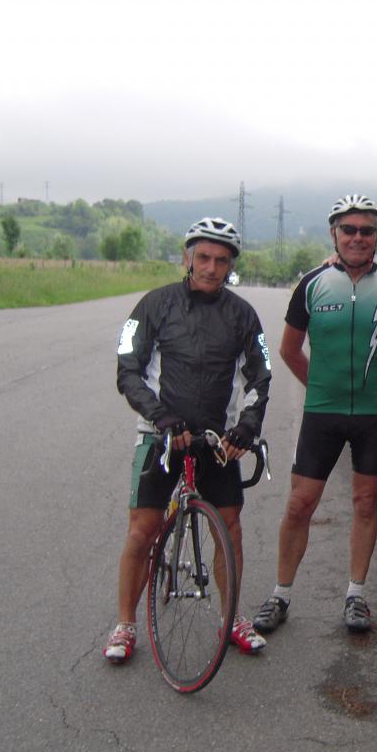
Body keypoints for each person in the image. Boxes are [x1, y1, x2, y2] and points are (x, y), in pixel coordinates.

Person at [106, 218, 272, 663]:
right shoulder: (152, 305)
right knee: (142, 530)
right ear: (187, 257)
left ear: (231, 265)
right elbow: (127, 369)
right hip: (161, 437)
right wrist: (162, 418)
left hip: (218, 441)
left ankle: (232, 617)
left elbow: (262, 376)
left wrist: (246, 428)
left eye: (221, 260)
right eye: (203, 257)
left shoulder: (244, 315)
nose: (211, 267)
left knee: (230, 529)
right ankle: (124, 625)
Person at [254, 193, 377, 635]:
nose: (358, 237)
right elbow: (288, 349)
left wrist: (376, 388)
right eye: (349, 230)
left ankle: (356, 595)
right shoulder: (311, 285)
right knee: (300, 503)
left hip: (374, 415)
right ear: (335, 234)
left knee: (366, 502)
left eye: (367, 230)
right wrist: (323, 389)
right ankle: (281, 594)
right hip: (323, 413)